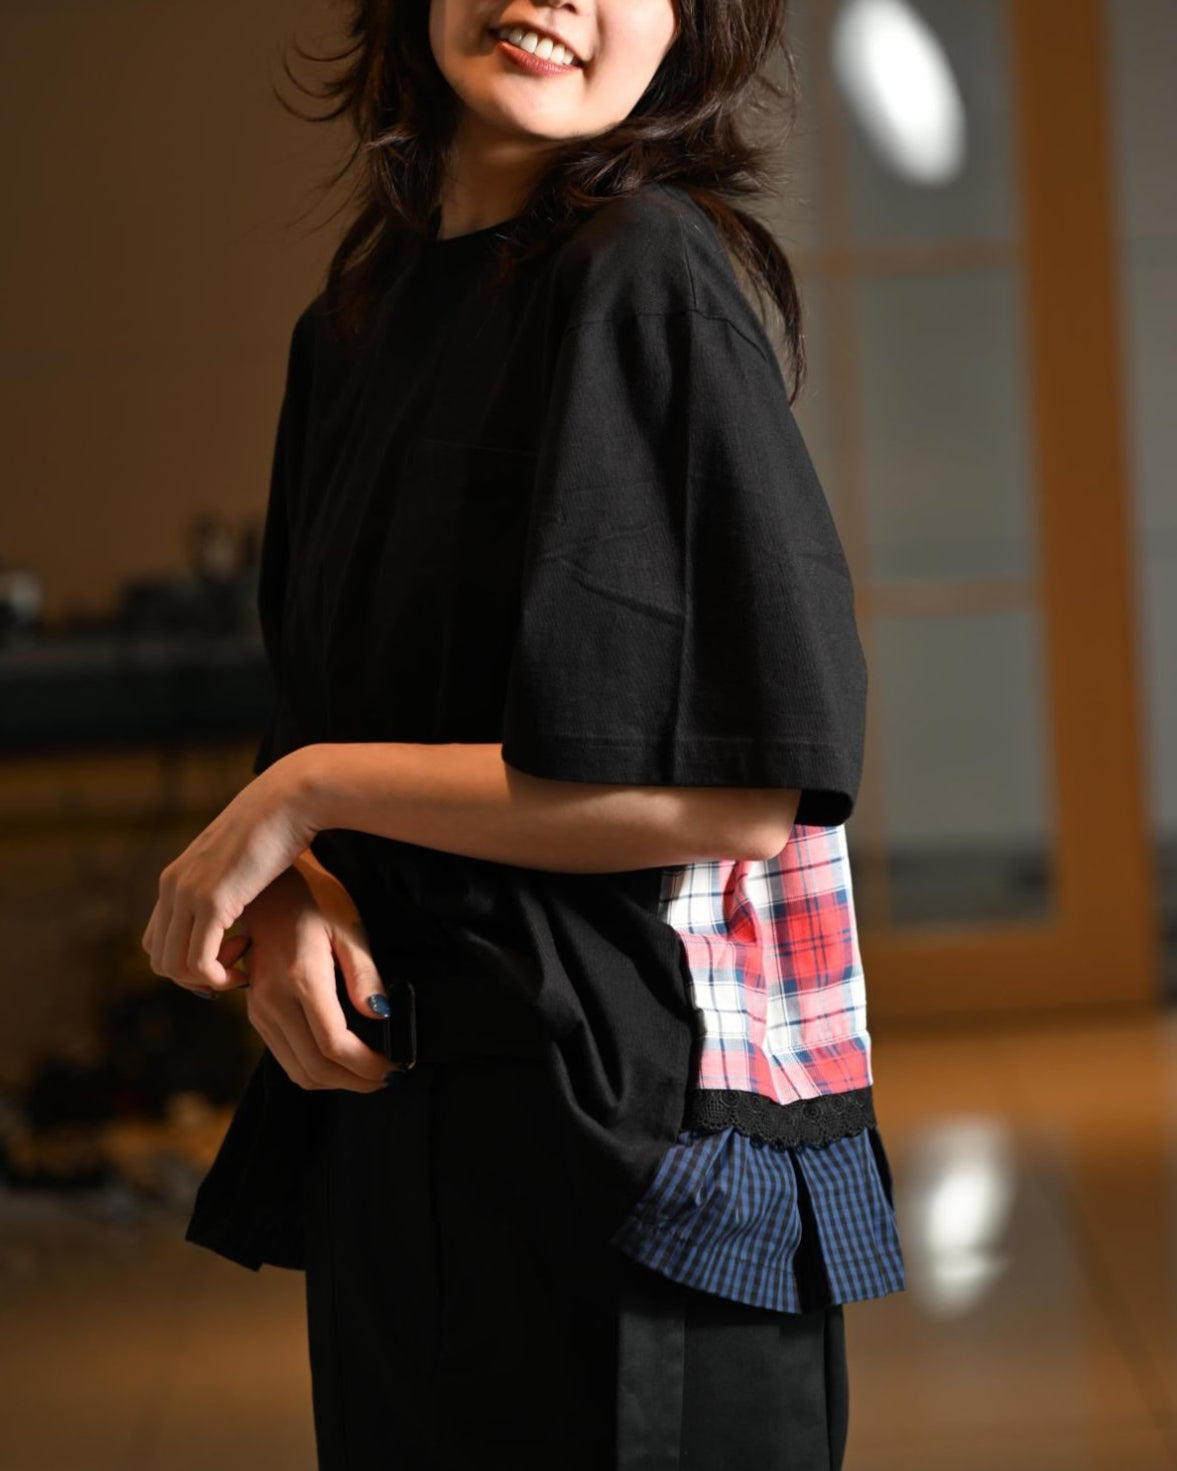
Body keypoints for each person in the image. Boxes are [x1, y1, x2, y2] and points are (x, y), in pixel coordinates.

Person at [142, 1, 906, 1466]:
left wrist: (305, 797)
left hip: (629, 1149)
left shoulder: (644, 267)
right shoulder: (348, 328)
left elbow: (739, 794)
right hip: (391, 1127)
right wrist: (298, 892)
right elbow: (324, 711)